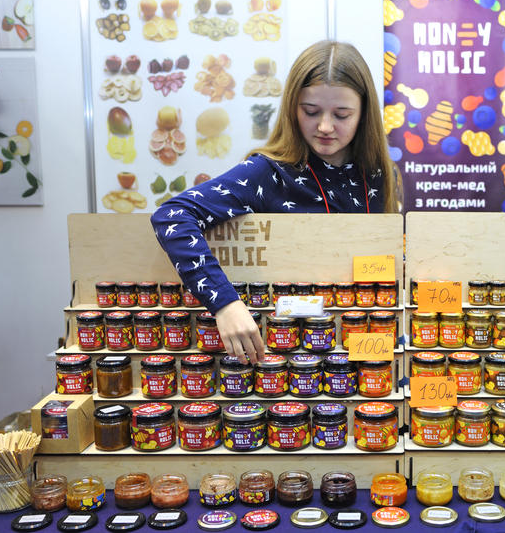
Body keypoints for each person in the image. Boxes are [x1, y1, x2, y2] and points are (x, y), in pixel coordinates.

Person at [151, 40, 400, 366]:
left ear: (364, 113)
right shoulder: (267, 172)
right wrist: (225, 304)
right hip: (281, 356)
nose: (325, 127)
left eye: (342, 114)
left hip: (363, 354)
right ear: (292, 107)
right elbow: (171, 215)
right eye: (310, 111)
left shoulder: (380, 174)